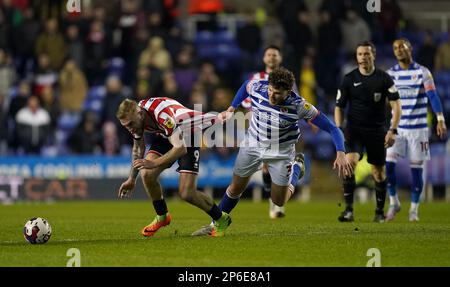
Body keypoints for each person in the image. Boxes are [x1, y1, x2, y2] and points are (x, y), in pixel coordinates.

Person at [192, 67, 352, 236]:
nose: (271, 96)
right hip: (252, 144)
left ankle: (297, 166)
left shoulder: (300, 105)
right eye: (270, 90)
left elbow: (332, 128)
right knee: (235, 188)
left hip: (280, 153)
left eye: (277, 93)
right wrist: (232, 107)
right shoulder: (258, 87)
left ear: (288, 91)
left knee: (278, 201)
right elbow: (246, 85)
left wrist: (340, 152)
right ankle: (216, 224)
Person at [116, 97, 231, 237]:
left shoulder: (162, 115)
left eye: (130, 124)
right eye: (126, 126)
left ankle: (221, 219)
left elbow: (180, 149)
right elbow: (138, 149)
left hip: (188, 134)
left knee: (187, 193)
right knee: (146, 174)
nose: (130, 128)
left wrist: (153, 163)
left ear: (139, 114)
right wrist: (132, 179)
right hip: (167, 135)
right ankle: (162, 216)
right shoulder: (135, 119)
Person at [335, 41, 402, 223]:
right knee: (349, 165)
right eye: (360, 54)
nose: (363, 57)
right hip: (354, 130)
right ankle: (348, 210)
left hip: (377, 131)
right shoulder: (349, 79)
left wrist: (393, 130)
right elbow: (339, 107)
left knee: (378, 173)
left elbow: (396, 105)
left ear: (373, 55)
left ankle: (379, 212)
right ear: (356, 57)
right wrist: (339, 130)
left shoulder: (384, 78)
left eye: (366, 54)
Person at [385, 38, 447, 222]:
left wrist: (440, 119)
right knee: (388, 166)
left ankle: (413, 210)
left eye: (402, 47)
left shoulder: (422, 72)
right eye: (395, 48)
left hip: (419, 130)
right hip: (397, 128)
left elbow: (433, 96)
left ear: (410, 49)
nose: (398, 50)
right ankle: (394, 202)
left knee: (416, 170)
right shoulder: (390, 74)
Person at [242, 45, 303, 219]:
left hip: (282, 127)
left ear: (280, 58)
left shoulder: (288, 80)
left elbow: (297, 103)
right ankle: (274, 202)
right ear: (264, 58)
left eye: (274, 55)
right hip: (261, 127)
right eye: (268, 54)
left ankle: (276, 204)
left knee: (275, 165)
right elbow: (248, 101)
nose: (271, 58)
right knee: (267, 168)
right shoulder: (256, 78)